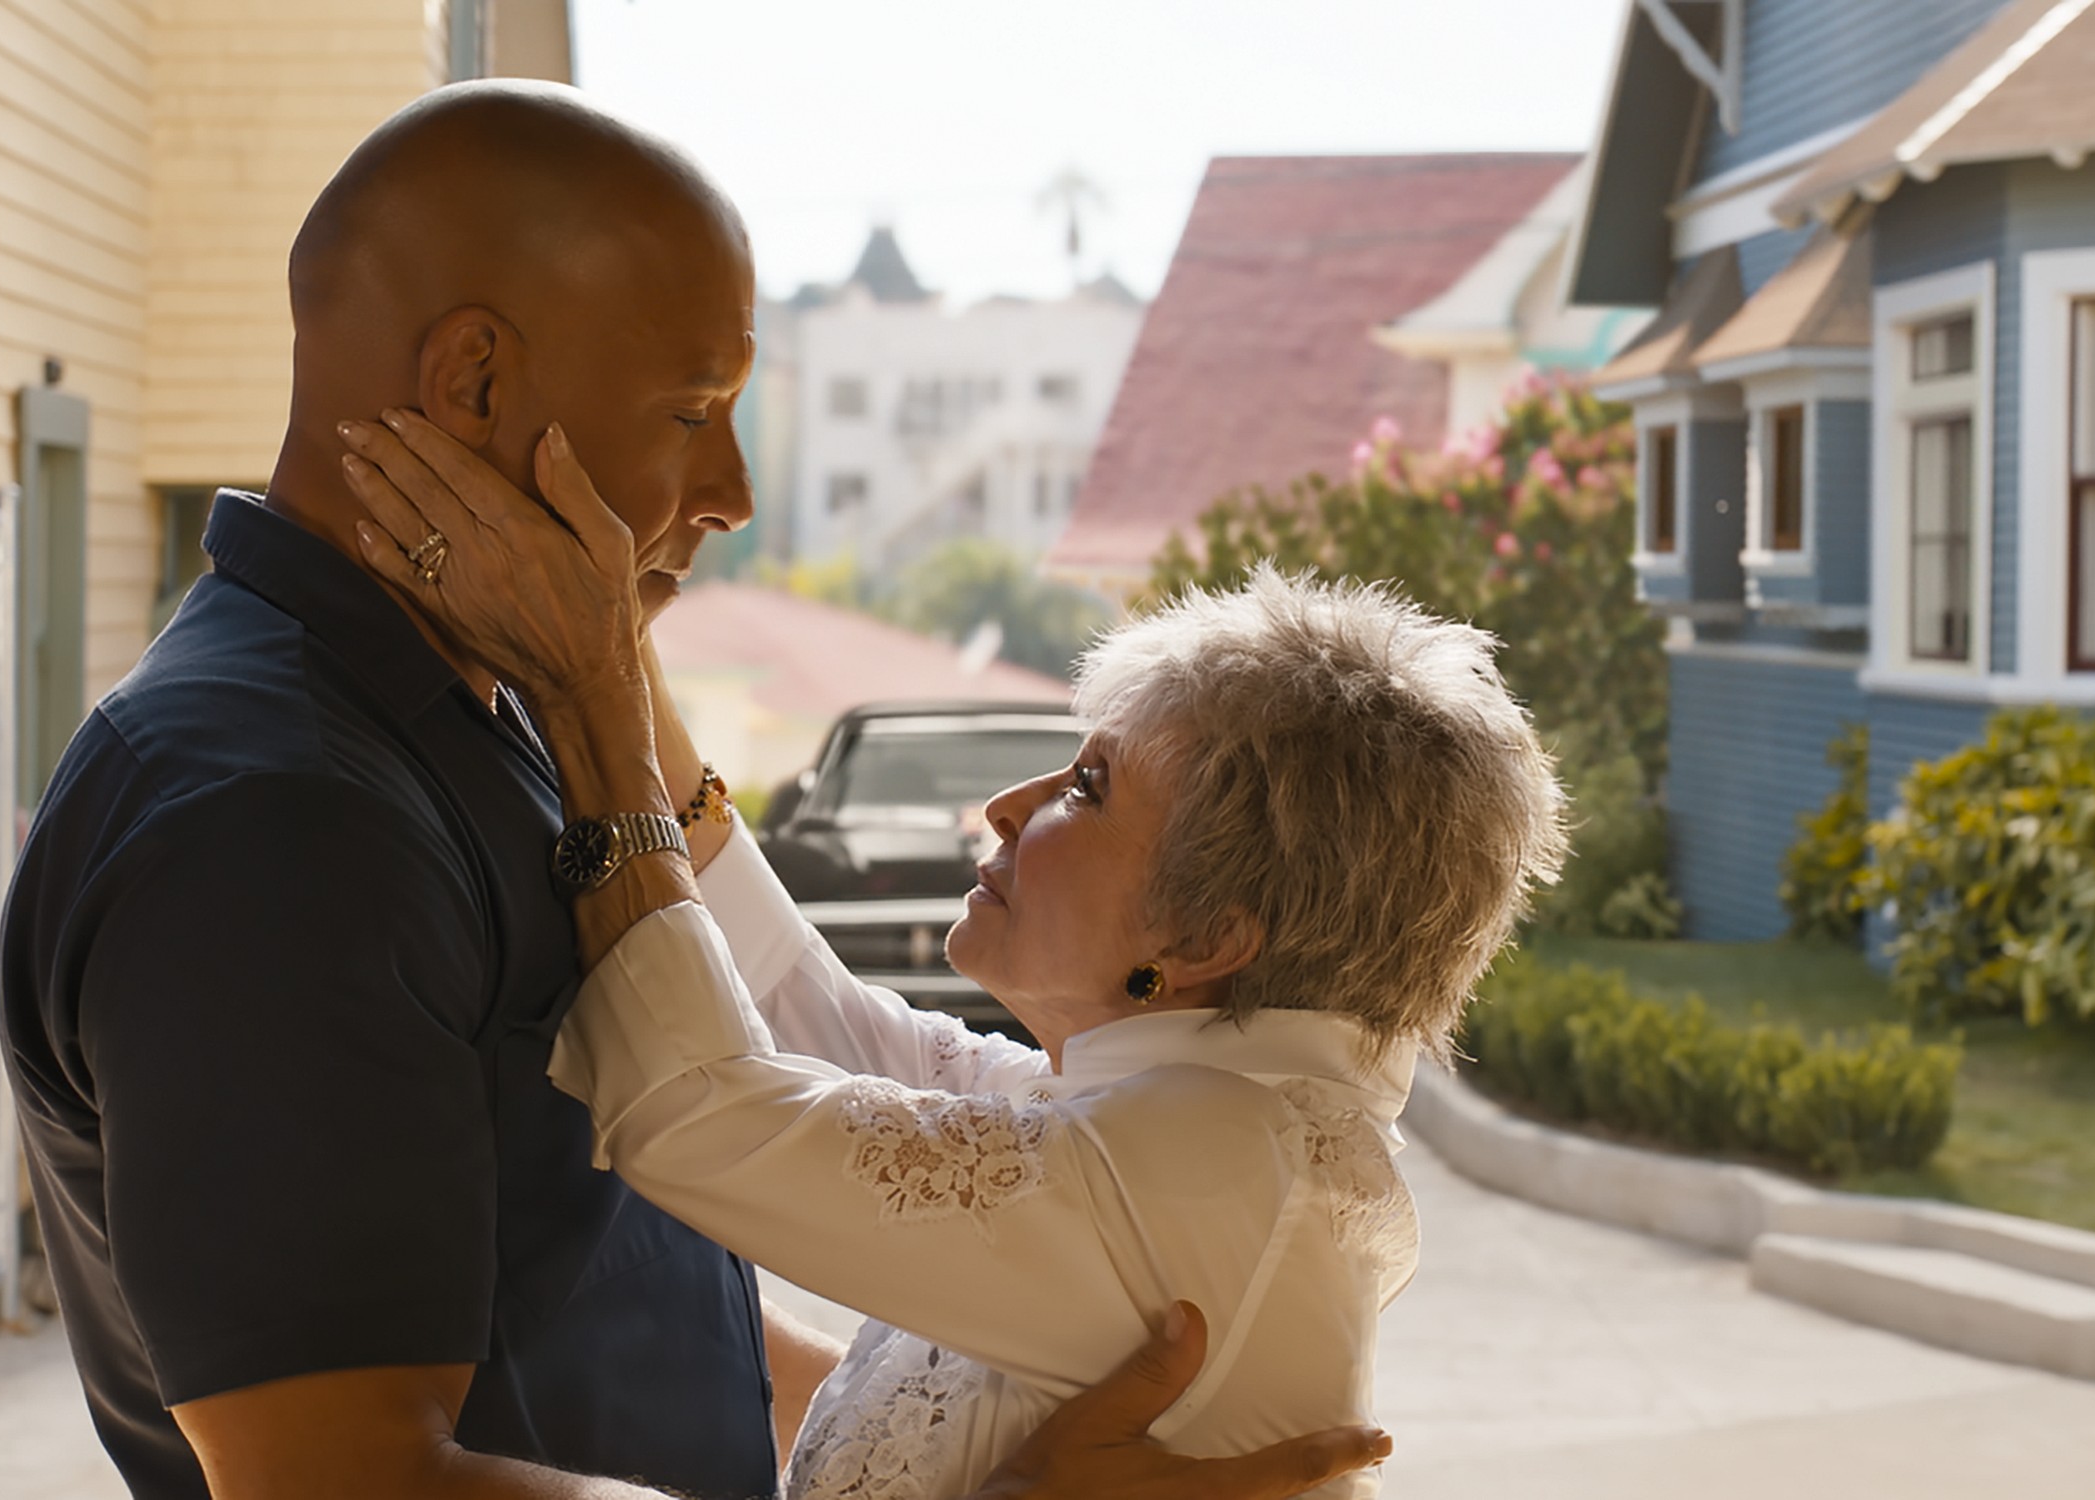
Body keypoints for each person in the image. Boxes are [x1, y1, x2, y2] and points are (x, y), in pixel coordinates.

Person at [0, 79, 1392, 1500]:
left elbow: (622, 1285)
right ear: (473, 383)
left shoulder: (487, 715)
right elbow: (342, 1481)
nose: (731, 491)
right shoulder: (272, 822)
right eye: (690, 411)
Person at [324, 414, 1569, 1500]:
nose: (1008, 806)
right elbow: (807, 1010)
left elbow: (701, 1113)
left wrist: (587, 687)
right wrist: (617, 640)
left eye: (1086, 787)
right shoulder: (1178, 1121)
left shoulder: (1212, 1167)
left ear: (1205, 936)